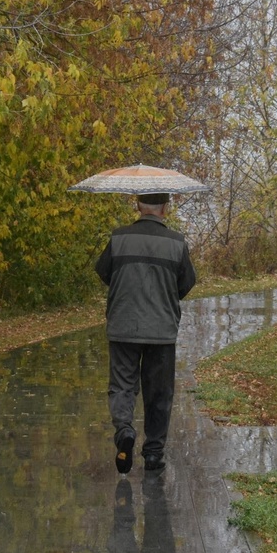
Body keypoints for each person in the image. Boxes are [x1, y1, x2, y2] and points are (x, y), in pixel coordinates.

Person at [95, 193, 196, 474]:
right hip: (161, 331)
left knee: (122, 386)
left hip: (123, 326)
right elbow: (187, 283)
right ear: (165, 208)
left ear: (138, 206)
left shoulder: (118, 238)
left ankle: (124, 431)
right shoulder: (177, 242)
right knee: (159, 393)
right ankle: (153, 454)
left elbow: (104, 272)